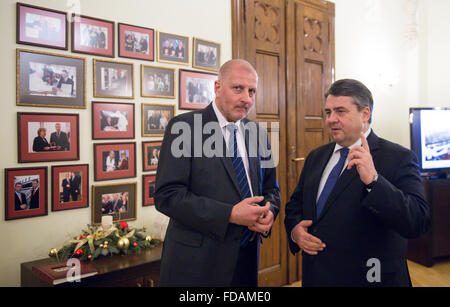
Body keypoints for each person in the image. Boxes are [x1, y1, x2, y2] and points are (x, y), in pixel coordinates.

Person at [284, 79, 431, 287]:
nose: (331, 120)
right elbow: (295, 206)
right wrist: (295, 231)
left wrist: (374, 181)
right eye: (328, 112)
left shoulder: (399, 158)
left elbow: (417, 221)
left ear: (365, 114)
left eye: (340, 112)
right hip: (317, 277)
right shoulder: (316, 157)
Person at [155, 59, 280, 287]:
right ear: (217, 87)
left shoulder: (258, 133)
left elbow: (272, 189)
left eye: (252, 91)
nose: (247, 98)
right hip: (198, 264)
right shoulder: (184, 128)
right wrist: (230, 214)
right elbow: (168, 196)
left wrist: (269, 211)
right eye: (238, 88)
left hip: (247, 258)